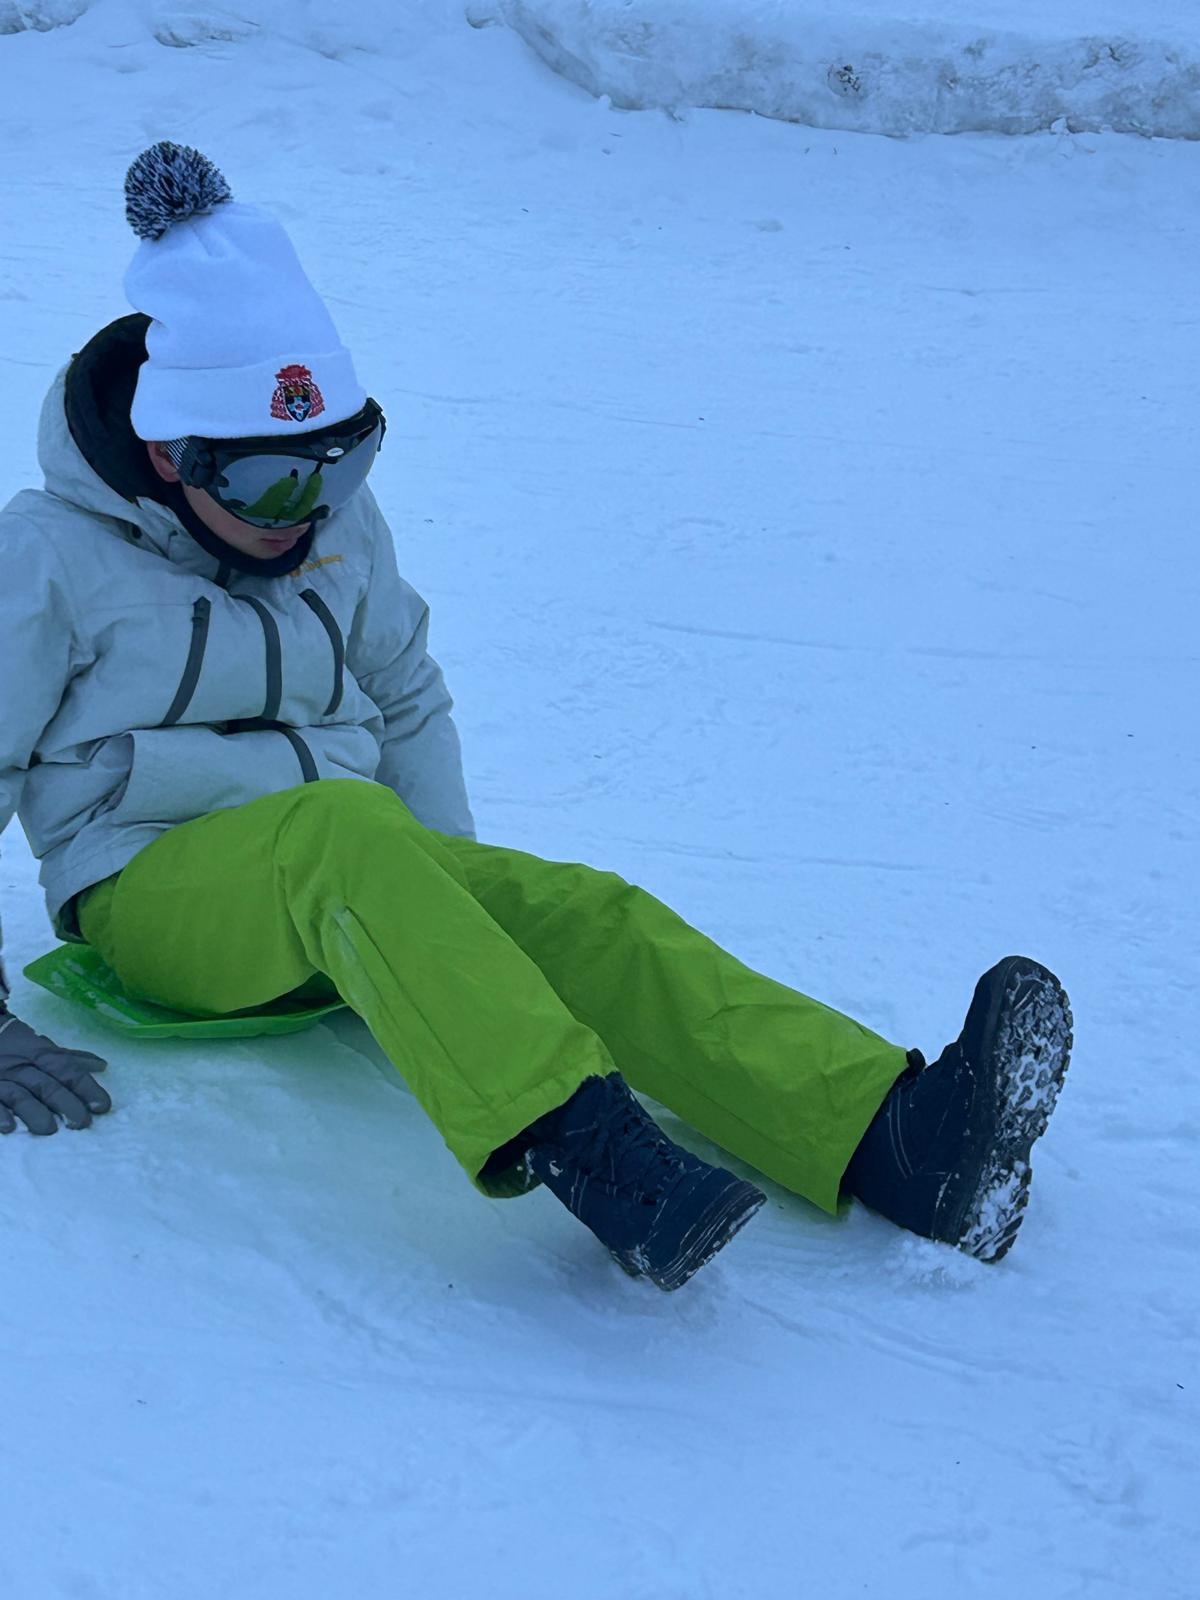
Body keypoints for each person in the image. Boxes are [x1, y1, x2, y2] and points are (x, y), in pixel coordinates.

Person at [0, 143, 1072, 1291]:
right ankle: (591, 1150)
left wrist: (439, 912)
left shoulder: (329, 523)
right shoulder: (49, 555)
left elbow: (404, 690)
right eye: (271, 483)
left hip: (348, 874)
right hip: (155, 894)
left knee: (581, 912)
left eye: (340, 465)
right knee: (342, 833)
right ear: (170, 455)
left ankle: (899, 1140)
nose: (307, 512)